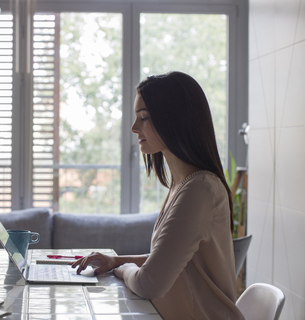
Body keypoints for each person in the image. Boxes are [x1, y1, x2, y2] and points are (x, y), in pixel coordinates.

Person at [72, 71, 244, 320]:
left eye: (143, 118)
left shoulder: (200, 190)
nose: (134, 128)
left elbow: (149, 283)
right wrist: (116, 260)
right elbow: (169, 262)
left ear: (174, 120)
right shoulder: (185, 185)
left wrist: (123, 269)